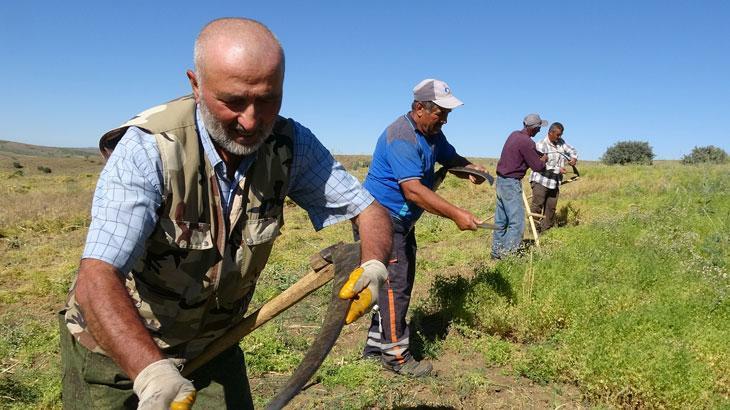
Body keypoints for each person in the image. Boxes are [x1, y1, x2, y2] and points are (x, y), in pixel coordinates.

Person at [59, 18, 392, 409]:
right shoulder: (150, 149)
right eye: (233, 101)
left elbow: (367, 209)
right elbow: (97, 277)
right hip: (116, 350)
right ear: (196, 85)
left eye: (267, 99)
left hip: (215, 345)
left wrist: (374, 266)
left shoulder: (290, 145)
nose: (251, 121)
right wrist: (149, 371)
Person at [360, 78, 488, 377]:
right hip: (381, 220)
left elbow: (450, 157)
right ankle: (396, 357)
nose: (444, 119)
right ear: (419, 108)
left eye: (447, 113)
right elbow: (414, 191)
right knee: (396, 286)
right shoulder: (401, 137)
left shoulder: (432, 134)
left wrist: (470, 168)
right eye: (440, 112)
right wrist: (457, 213)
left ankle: (374, 348)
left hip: (402, 220)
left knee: (388, 284)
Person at [491, 114, 548, 259]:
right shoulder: (527, 142)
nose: (540, 131)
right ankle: (508, 257)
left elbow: (525, 152)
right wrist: (544, 160)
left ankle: (496, 254)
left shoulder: (514, 135)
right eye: (539, 128)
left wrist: (537, 153)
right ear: (534, 128)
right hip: (511, 183)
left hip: (501, 181)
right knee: (517, 223)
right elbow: (537, 166)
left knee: (501, 221)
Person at [529, 122, 578, 232]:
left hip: (554, 182)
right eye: (557, 134)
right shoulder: (541, 145)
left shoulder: (561, 142)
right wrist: (558, 170)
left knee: (551, 208)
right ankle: (534, 232)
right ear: (550, 133)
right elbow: (539, 165)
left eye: (561, 134)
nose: (559, 137)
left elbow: (572, 150)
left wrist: (573, 158)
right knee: (537, 207)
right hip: (540, 180)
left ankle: (546, 231)